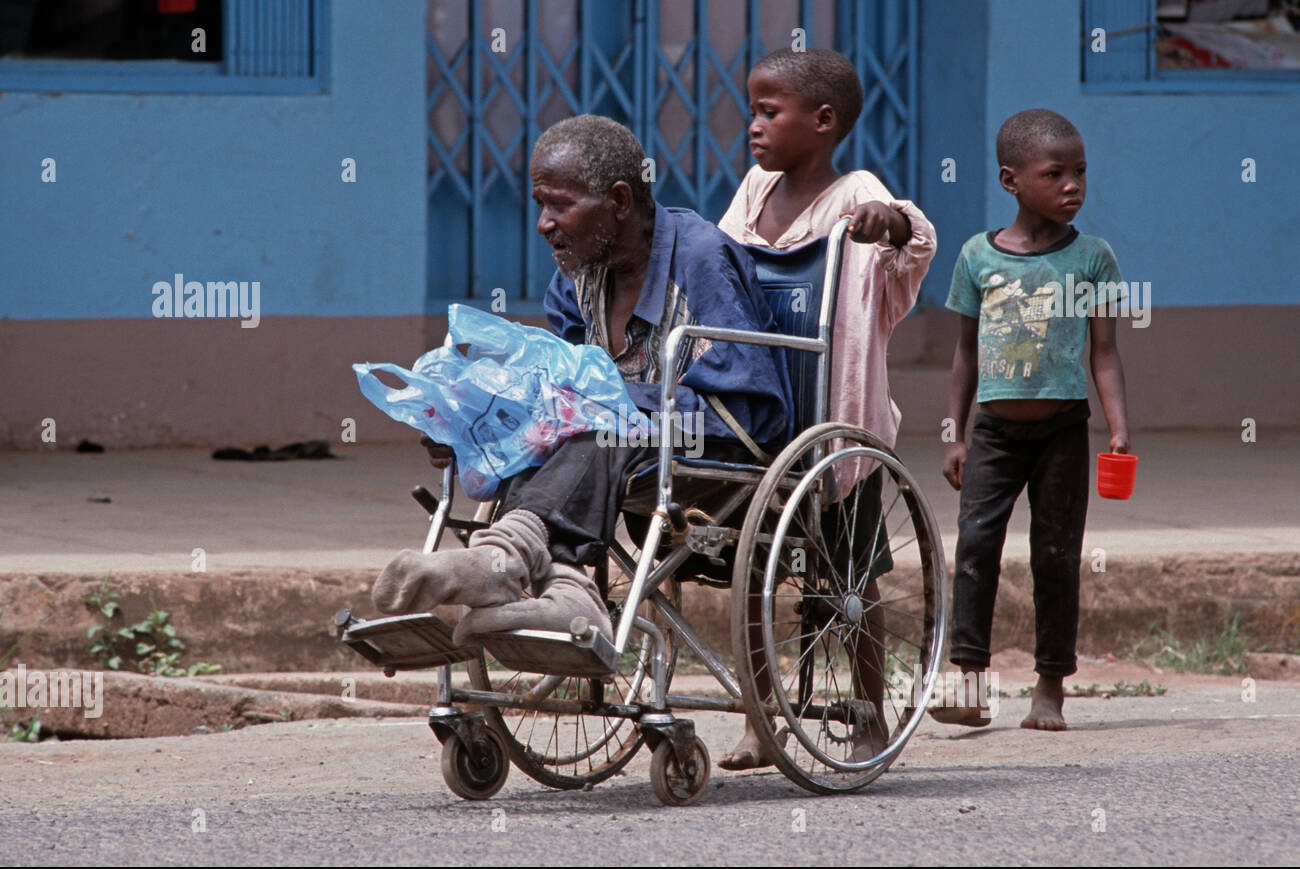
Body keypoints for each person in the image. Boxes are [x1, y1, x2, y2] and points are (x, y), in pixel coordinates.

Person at [372, 114, 793, 646]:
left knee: (598, 428)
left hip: (713, 448)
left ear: (619, 201)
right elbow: (560, 387)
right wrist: (473, 425)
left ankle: (503, 559)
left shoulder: (700, 258)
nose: (545, 223)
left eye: (560, 205)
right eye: (540, 205)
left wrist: (608, 406)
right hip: (623, 448)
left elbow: (744, 407)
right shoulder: (577, 274)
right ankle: (568, 591)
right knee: (548, 434)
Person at [715, 47, 937, 769]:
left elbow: (912, 241)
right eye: (753, 109)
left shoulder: (858, 195)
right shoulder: (754, 189)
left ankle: (870, 717)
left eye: (768, 112)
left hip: (836, 429)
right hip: (761, 421)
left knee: (852, 581)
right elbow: (715, 263)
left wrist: (891, 223)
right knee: (752, 574)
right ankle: (758, 720)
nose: (753, 126)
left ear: (823, 121)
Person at [930, 108, 1131, 732]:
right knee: (976, 549)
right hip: (993, 430)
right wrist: (954, 434)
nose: (1073, 185)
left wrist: (1119, 427)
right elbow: (964, 353)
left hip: (1063, 431)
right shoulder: (976, 257)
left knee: (1055, 556)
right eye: (1055, 174)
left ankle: (1050, 687)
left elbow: (1105, 352)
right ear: (1011, 180)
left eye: (1080, 172)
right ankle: (966, 682)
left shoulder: (1093, 258)